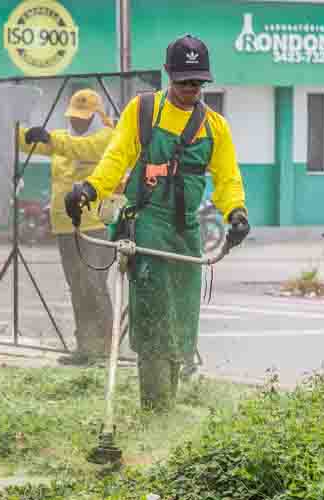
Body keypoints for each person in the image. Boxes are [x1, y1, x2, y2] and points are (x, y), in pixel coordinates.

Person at [64, 34, 250, 410]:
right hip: (146, 223)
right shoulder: (144, 110)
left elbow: (228, 179)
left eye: (197, 82)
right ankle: (156, 411)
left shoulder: (215, 127)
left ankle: (167, 403)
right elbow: (116, 158)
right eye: (183, 81)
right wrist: (89, 190)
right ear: (169, 75)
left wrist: (237, 213)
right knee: (152, 314)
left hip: (186, 231)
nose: (190, 89)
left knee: (181, 319)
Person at [20, 89, 116, 365]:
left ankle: (105, 350)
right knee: (77, 287)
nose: (79, 123)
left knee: (95, 285)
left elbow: (82, 148)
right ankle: (85, 348)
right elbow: (30, 142)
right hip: (64, 226)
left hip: (95, 225)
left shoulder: (106, 137)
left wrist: (50, 137)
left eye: (85, 119)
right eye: (75, 118)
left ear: (97, 117)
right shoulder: (64, 141)